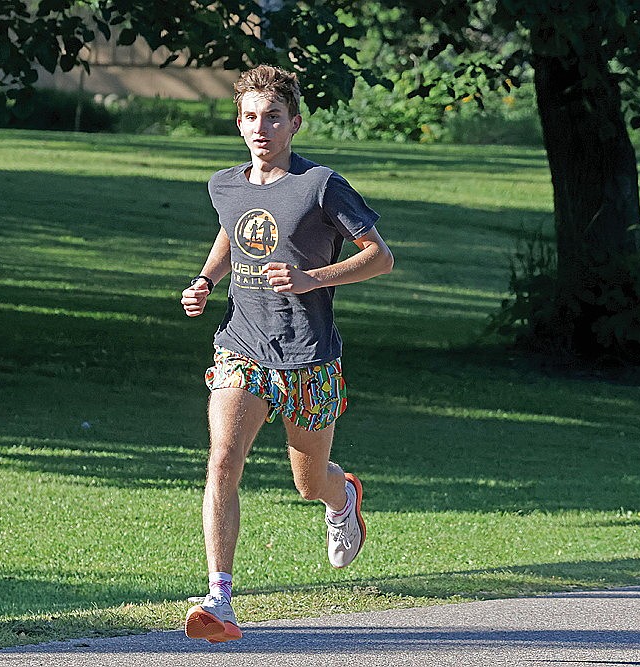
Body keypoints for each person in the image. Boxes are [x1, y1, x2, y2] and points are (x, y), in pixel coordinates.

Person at [180, 64, 394, 644]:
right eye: (250, 117)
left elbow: (380, 257)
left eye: (272, 117)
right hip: (241, 345)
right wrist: (204, 280)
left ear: (294, 122)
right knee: (223, 458)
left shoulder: (321, 185)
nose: (260, 128)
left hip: (308, 355)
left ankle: (342, 495)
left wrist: (311, 278)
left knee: (308, 481)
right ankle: (220, 599)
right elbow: (233, 230)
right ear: (239, 123)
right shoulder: (224, 184)